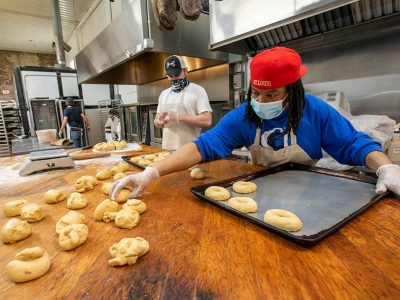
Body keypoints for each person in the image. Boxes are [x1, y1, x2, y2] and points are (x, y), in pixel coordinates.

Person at [111, 47, 400, 199]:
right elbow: (203, 147)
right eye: (257, 93)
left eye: (271, 94)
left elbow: (353, 143)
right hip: (262, 189)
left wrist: (384, 166)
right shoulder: (244, 116)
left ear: (292, 90)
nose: (261, 102)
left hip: (311, 191)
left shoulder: (316, 112)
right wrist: (151, 173)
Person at [154, 55, 213, 150]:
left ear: (186, 70)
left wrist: (178, 117)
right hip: (167, 150)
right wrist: (158, 122)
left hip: (191, 150)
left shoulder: (197, 90)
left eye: (177, 74)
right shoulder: (164, 94)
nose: (174, 78)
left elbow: (207, 120)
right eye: (170, 75)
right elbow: (157, 120)